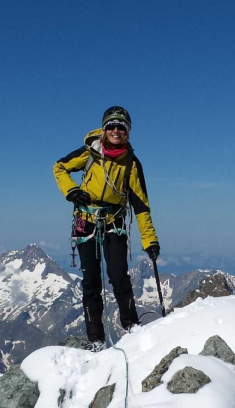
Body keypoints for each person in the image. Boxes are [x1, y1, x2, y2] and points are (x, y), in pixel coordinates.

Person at [53, 106, 160, 349]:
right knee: (91, 280)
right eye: (111, 126)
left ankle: (132, 327)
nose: (115, 130)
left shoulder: (131, 164)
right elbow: (59, 167)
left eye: (121, 127)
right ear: (103, 130)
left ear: (127, 132)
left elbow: (141, 206)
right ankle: (96, 339)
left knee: (118, 276)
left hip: (114, 223)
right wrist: (71, 191)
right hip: (85, 220)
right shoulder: (90, 153)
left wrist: (150, 241)